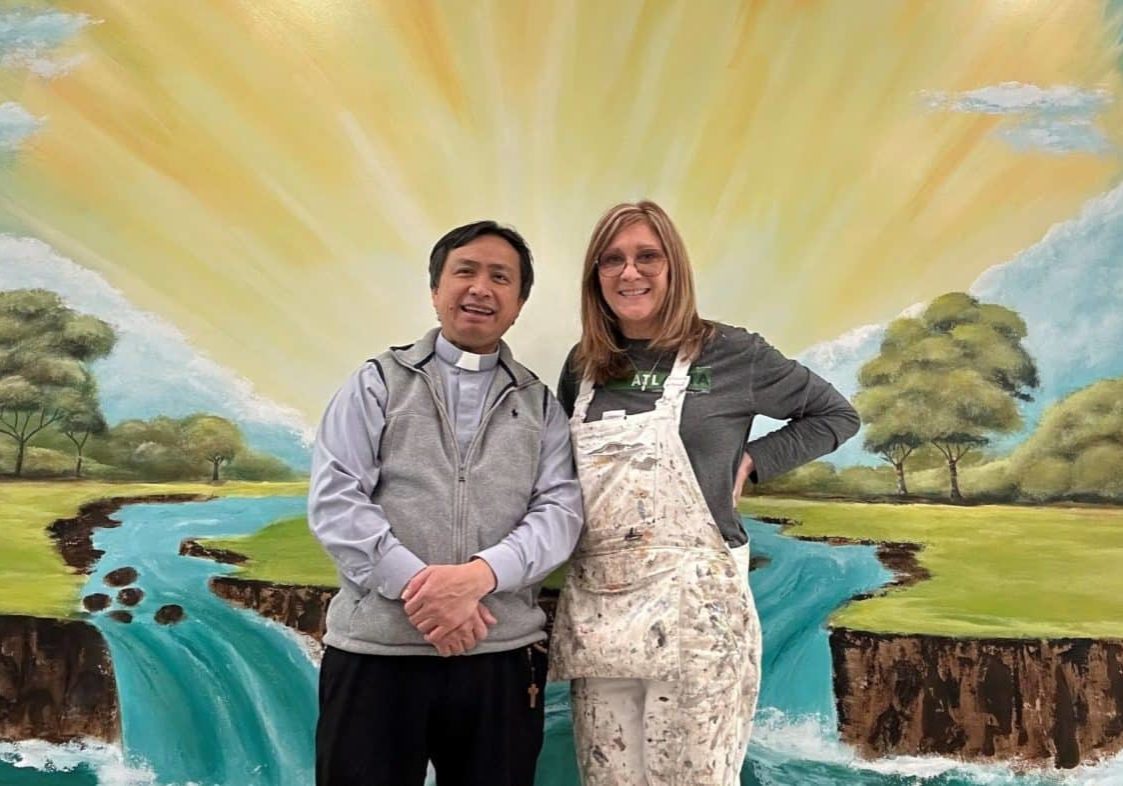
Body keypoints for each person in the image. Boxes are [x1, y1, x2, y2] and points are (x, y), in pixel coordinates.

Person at [549, 200, 860, 785]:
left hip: (697, 613)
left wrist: (754, 461)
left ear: (674, 266)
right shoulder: (584, 367)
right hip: (601, 613)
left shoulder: (731, 353)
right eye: (612, 260)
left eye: (647, 257)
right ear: (595, 276)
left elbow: (835, 415)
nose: (629, 272)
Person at [308, 220, 584, 786]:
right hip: (376, 654)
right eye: (465, 272)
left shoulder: (540, 405)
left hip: (500, 657)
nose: (481, 288)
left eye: (500, 278)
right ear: (436, 289)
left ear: (519, 304)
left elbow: (559, 513)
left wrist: (478, 577)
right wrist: (424, 590)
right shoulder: (377, 383)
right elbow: (336, 499)